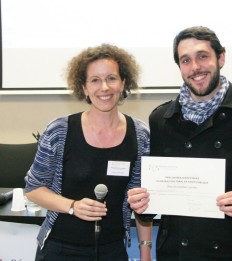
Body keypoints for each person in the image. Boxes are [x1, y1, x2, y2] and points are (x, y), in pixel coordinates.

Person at [127, 26, 232, 260]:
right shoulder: (162, 119)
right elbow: (159, 195)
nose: (195, 67)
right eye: (186, 60)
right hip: (176, 252)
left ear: (221, 57)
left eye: (202, 56)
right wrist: (143, 203)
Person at [25, 43, 152, 261]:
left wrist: (145, 252)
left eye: (111, 78)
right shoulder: (60, 130)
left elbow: (142, 201)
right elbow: (33, 188)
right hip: (60, 248)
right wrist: (72, 206)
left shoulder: (140, 135)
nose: (104, 87)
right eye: (95, 80)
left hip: (112, 249)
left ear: (123, 83)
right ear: (84, 88)